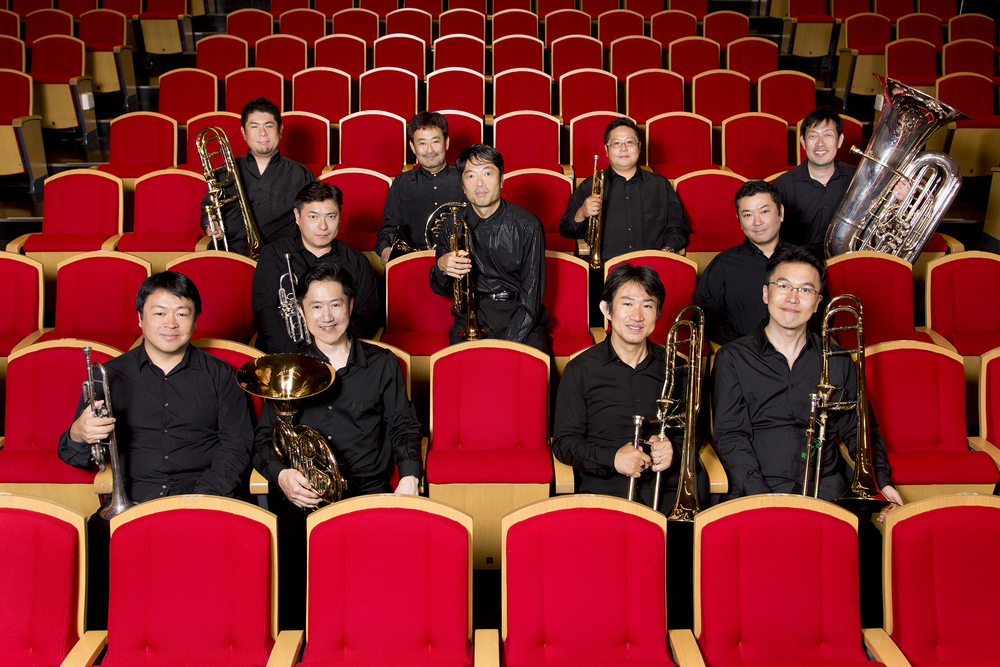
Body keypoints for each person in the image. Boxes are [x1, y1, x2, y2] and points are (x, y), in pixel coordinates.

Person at [58, 271, 255, 629]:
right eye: (159, 312)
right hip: (135, 498)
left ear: (195, 318)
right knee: (91, 553)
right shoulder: (109, 375)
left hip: (205, 495)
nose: (170, 323)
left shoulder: (221, 375)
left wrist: (201, 499)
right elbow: (74, 455)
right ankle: (108, 641)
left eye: (182, 312)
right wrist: (79, 434)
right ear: (139, 318)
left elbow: (237, 445)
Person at [253, 262, 422, 627]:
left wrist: (410, 475)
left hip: (367, 491)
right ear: (301, 311)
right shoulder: (288, 367)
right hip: (305, 497)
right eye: (315, 306)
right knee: (294, 595)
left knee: (383, 597)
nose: (326, 317)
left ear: (350, 306)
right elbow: (264, 438)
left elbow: (404, 425)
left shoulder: (382, 364)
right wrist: (281, 476)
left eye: (335, 304)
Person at [712, 245, 903, 506]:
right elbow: (731, 435)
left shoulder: (838, 358)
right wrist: (762, 497)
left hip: (826, 491)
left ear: (817, 303)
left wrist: (882, 481)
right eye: (783, 286)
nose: (793, 298)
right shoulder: (732, 358)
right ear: (766, 293)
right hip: (753, 491)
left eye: (805, 290)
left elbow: (860, 430)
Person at [551, 263, 681, 510]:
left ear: (658, 313)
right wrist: (613, 459)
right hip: (605, 493)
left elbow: (693, 432)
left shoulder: (676, 367)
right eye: (627, 304)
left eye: (647, 305)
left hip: (666, 493)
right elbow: (565, 443)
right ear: (607, 309)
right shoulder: (580, 370)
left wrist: (674, 448)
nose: (637, 316)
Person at [430, 144, 551, 354]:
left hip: (521, 315)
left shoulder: (528, 225)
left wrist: (509, 344)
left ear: (502, 179)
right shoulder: (452, 224)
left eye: (487, 173)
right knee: (458, 367)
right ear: (463, 185)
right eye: (471, 176)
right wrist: (441, 266)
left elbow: (532, 296)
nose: (480, 183)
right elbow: (441, 288)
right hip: (472, 314)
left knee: (529, 367)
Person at [251, 181, 380, 353]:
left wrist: (343, 354)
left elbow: (368, 317)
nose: (323, 226)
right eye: (313, 217)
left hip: (339, 356)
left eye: (331, 216)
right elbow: (265, 313)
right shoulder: (273, 255)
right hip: (283, 355)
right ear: (297, 216)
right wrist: (295, 357)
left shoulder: (357, 262)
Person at [559, 117, 690, 261]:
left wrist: (667, 251)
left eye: (629, 142)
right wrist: (582, 213)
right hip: (607, 268)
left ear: (639, 147)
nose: (623, 148)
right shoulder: (590, 186)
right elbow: (566, 230)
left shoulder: (660, 185)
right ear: (606, 149)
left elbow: (678, 227)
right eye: (616, 143)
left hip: (651, 267)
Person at [201, 97, 316, 256]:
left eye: (269, 126)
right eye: (254, 126)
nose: (262, 133)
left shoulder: (301, 175)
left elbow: (312, 221)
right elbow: (207, 210)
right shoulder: (224, 172)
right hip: (230, 255)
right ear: (243, 132)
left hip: (280, 258)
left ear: (280, 130)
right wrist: (211, 224)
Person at [693, 180, 796, 346]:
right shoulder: (722, 265)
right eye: (748, 215)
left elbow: (818, 312)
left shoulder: (804, 260)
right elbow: (707, 319)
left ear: (781, 212)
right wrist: (744, 349)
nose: (757, 222)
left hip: (799, 352)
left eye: (764, 212)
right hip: (742, 354)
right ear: (739, 220)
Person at [375, 111, 466, 265]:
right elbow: (389, 229)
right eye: (422, 143)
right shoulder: (402, 183)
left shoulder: (466, 179)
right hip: (413, 261)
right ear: (412, 147)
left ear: (447, 142)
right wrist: (385, 250)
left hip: (458, 262)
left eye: (435, 141)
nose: (429, 150)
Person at [774, 107, 857, 252]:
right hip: (800, 261)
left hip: (847, 259)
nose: (820, 143)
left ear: (840, 140)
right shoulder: (783, 185)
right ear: (803, 142)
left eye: (828, 135)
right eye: (813, 136)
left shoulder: (858, 178)